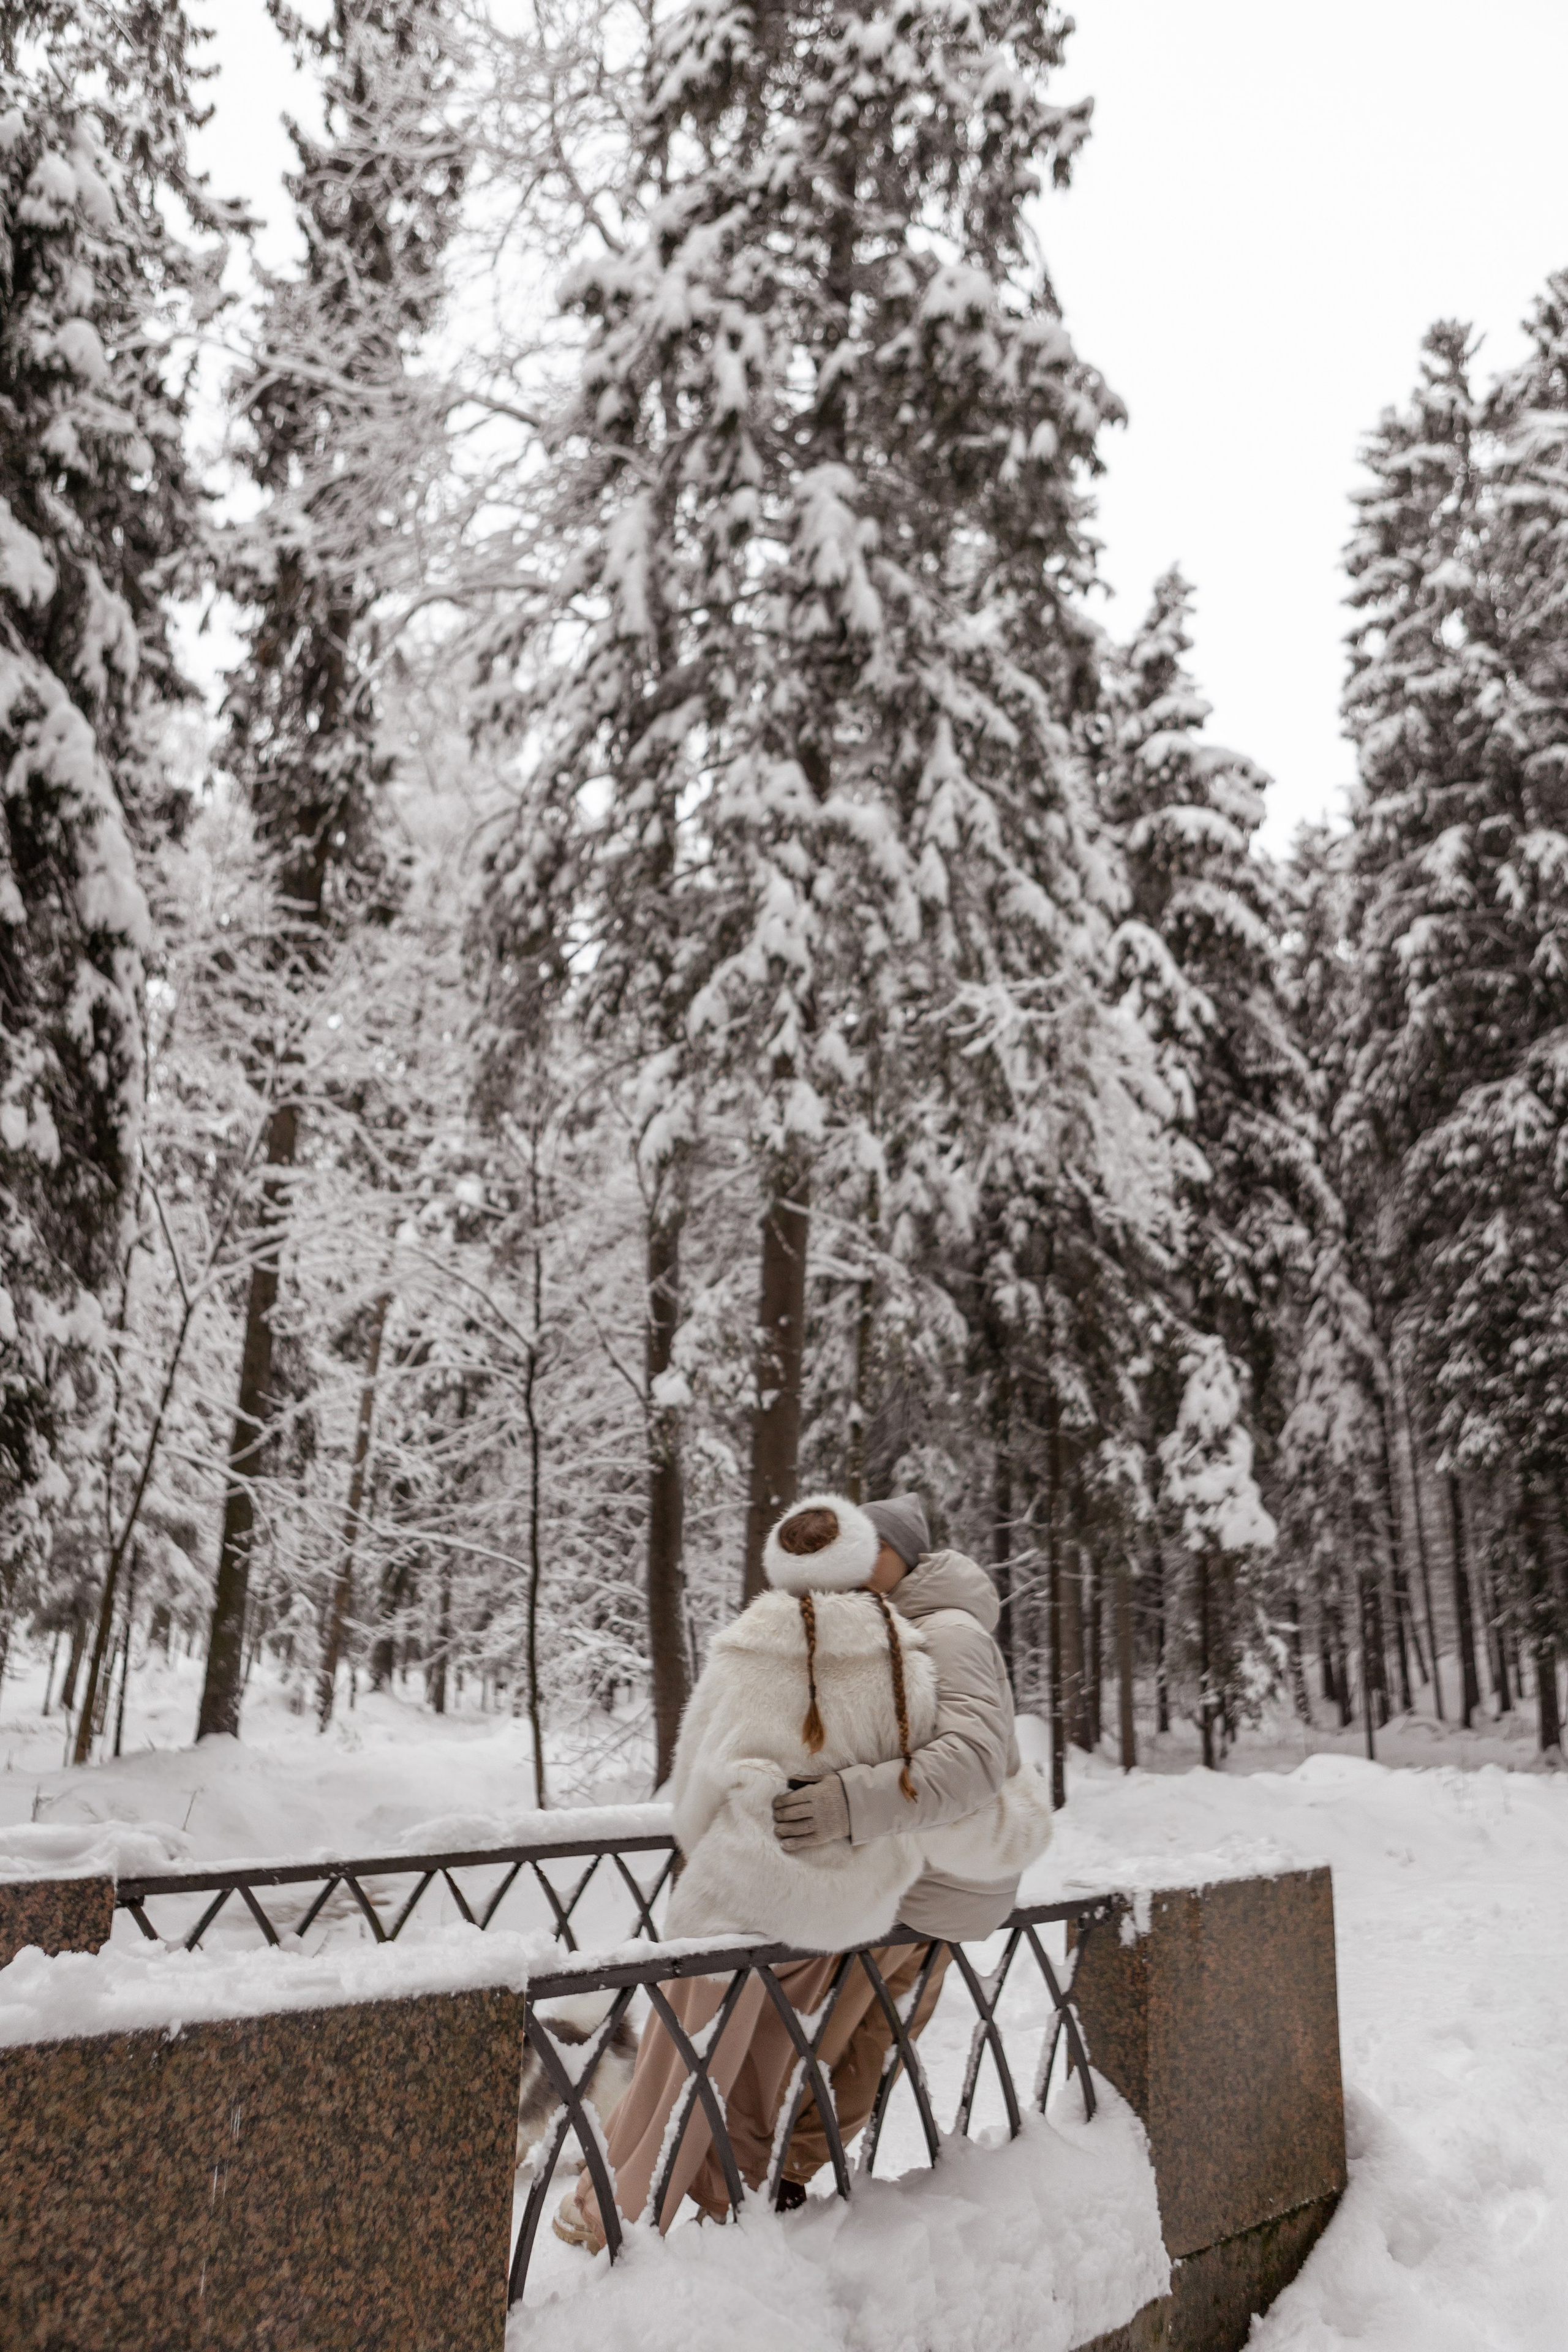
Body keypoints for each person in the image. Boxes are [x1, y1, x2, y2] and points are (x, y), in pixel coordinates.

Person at [555, 1491, 941, 2249]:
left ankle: (617, 2217)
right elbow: (915, 1781)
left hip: (743, 1894)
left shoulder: (751, 1644)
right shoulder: (903, 1652)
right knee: (770, 2068)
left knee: (682, 2071)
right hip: (847, 1909)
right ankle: (736, 2206)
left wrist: (713, 1852)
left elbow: (695, 1790)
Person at [767, 1490, 1050, 2204]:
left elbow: (970, 1764)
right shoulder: (910, 1626)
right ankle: (785, 2177)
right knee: (867, 2045)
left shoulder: (944, 1632)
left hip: (920, 1880)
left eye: (871, 1549)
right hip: (936, 1882)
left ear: (900, 1554)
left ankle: (763, 2178)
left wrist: (845, 1804)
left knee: (826, 2043)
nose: (856, 1567)